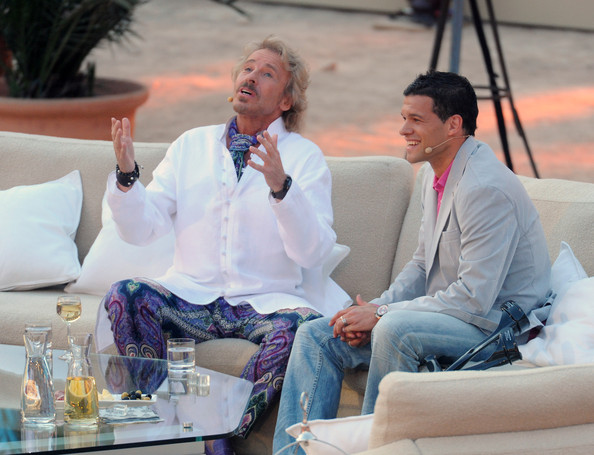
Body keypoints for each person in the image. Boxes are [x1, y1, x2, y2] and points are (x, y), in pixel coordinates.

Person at [273, 70, 552, 453]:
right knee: (318, 335)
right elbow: (422, 265)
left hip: (498, 328)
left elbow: (474, 298)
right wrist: (374, 308)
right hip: (448, 318)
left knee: (395, 329)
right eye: (404, 118)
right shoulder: (436, 176)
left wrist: (382, 315)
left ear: (453, 125)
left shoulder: (484, 187)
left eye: (416, 119)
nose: (403, 129)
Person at [98, 36, 349, 454]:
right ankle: (162, 424)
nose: (251, 77)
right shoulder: (191, 144)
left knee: (303, 330)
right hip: (192, 298)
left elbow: (312, 252)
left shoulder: (304, 157)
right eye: (248, 68)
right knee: (127, 294)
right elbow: (143, 229)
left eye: (267, 74)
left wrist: (281, 187)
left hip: (264, 303)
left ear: (286, 100)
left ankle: (219, 433)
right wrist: (126, 177)